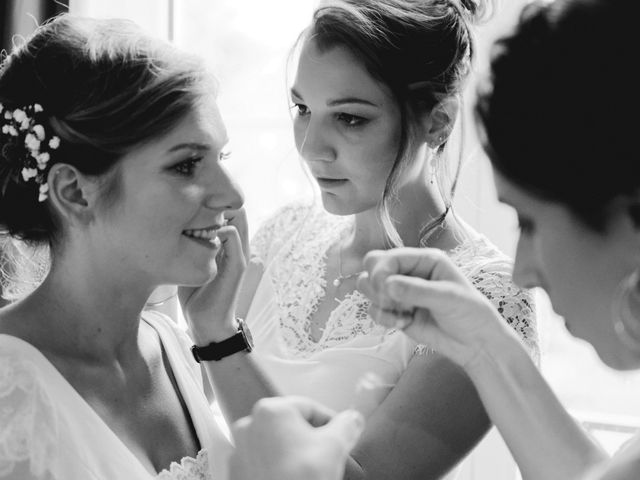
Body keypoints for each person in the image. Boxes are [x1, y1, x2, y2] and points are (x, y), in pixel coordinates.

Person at [229, 0, 640, 479]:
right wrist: (484, 341)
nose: (524, 268)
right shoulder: (284, 233)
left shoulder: (492, 286)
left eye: (530, 222)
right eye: (301, 108)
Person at [0, 14, 277, 480]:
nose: (233, 196)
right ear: (74, 192)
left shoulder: (168, 345)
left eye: (220, 157)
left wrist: (217, 328)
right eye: (187, 165)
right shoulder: (10, 389)